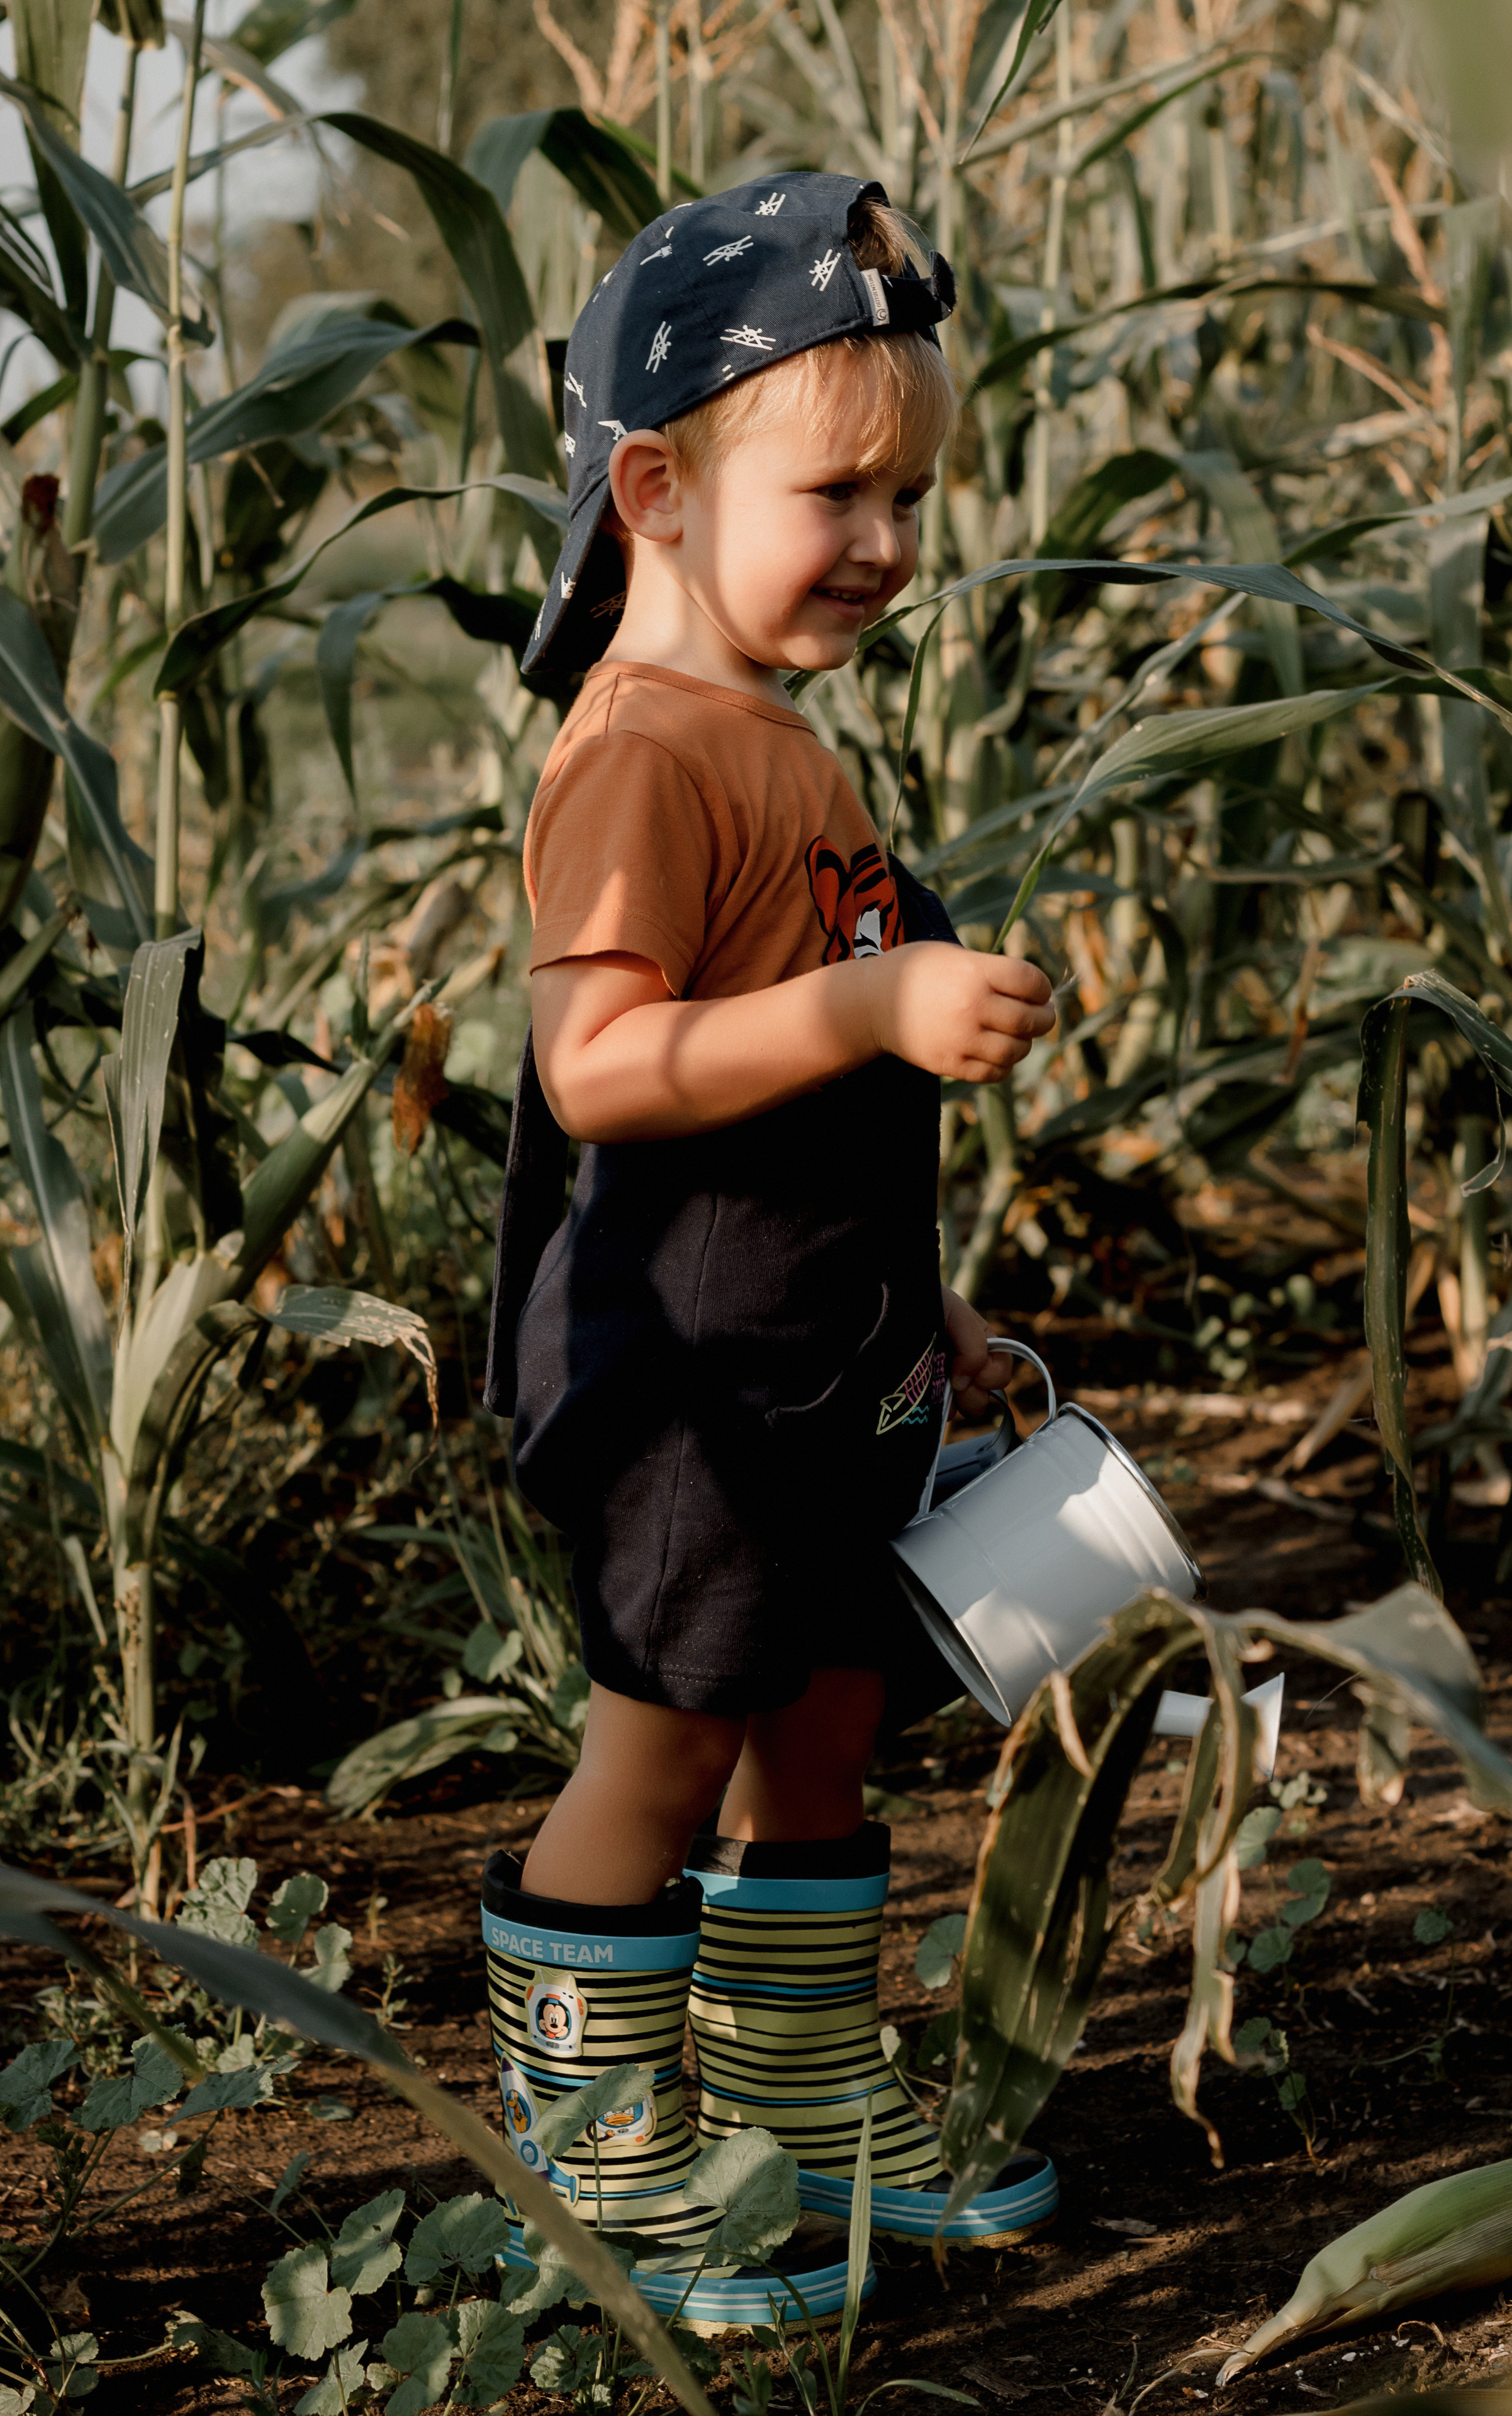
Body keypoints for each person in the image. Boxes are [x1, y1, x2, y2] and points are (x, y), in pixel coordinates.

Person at [481, 169, 1060, 2324]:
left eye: (915, 499)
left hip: (825, 1347)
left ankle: (804, 2104)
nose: (893, 545)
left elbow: (805, 1123)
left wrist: (938, 1309)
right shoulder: (641, 755)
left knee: (825, 1718)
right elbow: (604, 1068)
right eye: (845, 492)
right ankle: (597, 2150)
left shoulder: (774, 744)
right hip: (690, 1377)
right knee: (664, 1735)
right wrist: (871, 1003)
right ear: (657, 485)